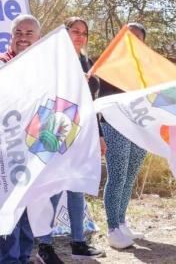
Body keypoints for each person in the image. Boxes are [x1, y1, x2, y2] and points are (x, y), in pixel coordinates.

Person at [33, 17, 105, 263]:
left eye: (84, 32)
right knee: (53, 187)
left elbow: (91, 104)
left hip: (82, 132)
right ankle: (44, 244)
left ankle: (78, 242)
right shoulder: (53, 60)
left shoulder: (86, 60)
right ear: (64, 33)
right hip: (56, 127)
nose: (80, 36)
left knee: (77, 188)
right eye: (75, 31)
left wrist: (99, 135)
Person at [0, 14, 40, 264]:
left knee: (31, 206)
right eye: (19, 33)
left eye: (29, 34)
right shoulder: (0, 65)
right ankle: (9, 260)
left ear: (38, 38)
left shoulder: (43, 65)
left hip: (35, 146)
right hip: (9, 148)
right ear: (11, 36)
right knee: (12, 207)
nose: (23, 38)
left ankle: (25, 256)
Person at [100, 22, 148, 249]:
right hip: (115, 126)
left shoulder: (145, 67)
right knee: (117, 176)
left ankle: (121, 221)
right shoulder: (108, 63)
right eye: (129, 36)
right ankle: (112, 228)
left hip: (139, 128)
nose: (133, 41)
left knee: (129, 177)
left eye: (138, 37)